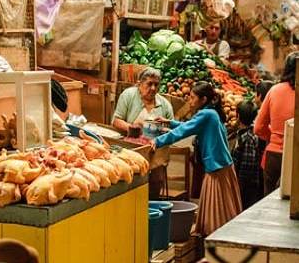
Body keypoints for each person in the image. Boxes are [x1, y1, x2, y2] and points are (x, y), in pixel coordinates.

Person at [151, 82, 242, 237]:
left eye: (193, 98)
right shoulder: (211, 112)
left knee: (216, 216)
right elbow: (190, 126)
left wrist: (157, 141)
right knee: (224, 210)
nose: (190, 101)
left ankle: (215, 241)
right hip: (222, 166)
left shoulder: (206, 114)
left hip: (217, 168)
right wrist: (170, 123)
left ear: (203, 99)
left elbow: (183, 131)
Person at [112, 67, 174, 199]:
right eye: (149, 84)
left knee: (154, 186)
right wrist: (131, 128)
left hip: (156, 152)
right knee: (129, 185)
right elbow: (116, 120)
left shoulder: (165, 105)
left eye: (156, 85)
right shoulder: (128, 95)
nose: (153, 88)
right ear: (139, 84)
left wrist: (161, 132)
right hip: (131, 150)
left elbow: (172, 130)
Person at [254, 52, 298, 195]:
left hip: (273, 156)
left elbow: (259, 127)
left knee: (269, 205)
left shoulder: (274, 90)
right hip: (296, 155)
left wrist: (274, 137)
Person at [232, 100, 263, 209]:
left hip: (246, 186)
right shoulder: (245, 134)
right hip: (245, 184)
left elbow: (247, 167)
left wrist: (238, 184)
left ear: (238, 116)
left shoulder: (247, 138)